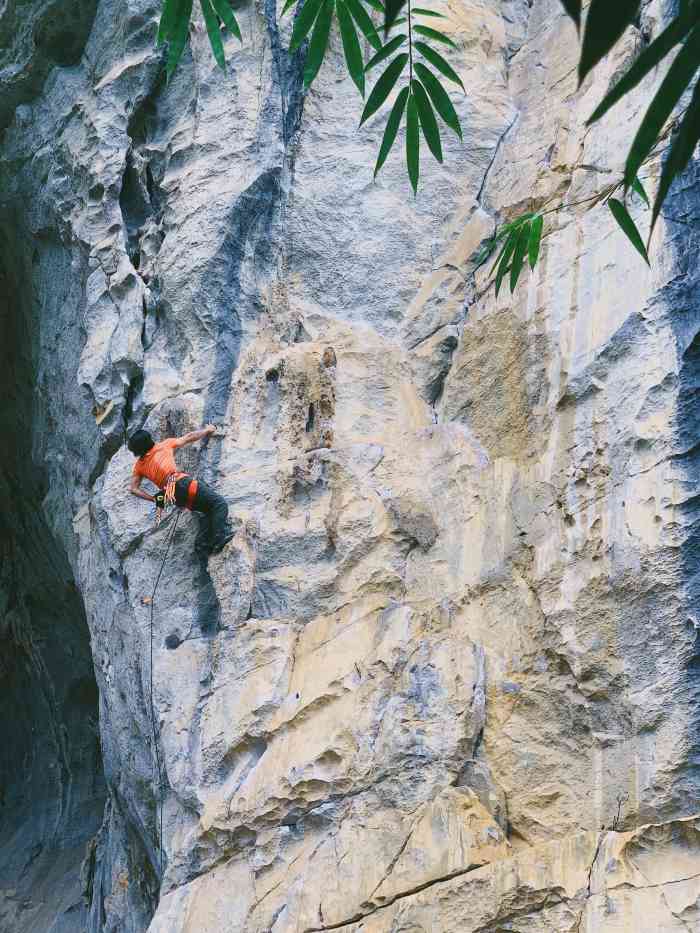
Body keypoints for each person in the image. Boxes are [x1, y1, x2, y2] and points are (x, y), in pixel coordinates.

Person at [128, 426, 233, 553]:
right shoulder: (164, 445)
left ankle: (203, 545)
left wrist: (153, 499)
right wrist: (207, 430)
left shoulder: (139, 466)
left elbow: (133, 489)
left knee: (209, 511)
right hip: (182, 484)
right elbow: (189, 437)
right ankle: (219, 538)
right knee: (219, 504)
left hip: (174, 497)